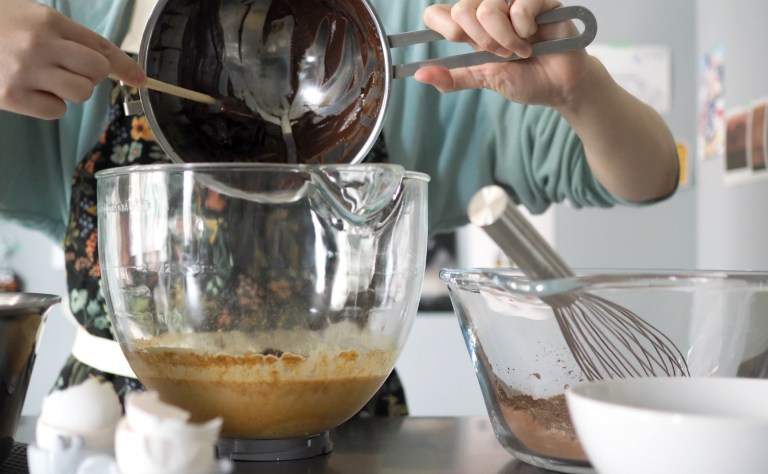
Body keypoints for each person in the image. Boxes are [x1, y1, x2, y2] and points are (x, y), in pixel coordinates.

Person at [0, 0, 679, 413]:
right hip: (116, 432)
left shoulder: (420, 33)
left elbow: (648, 176)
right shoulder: (69, 23)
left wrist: (578, 90)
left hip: (343, 426)